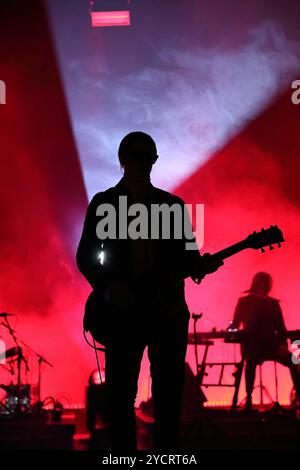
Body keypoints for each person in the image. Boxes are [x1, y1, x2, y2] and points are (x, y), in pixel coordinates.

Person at [76, 131, 222, 450]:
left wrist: (200, 266)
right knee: (122, 397)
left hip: (164, 312)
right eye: (143, 158)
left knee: (167, 397)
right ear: (125, 160)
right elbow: (85, 256)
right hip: (132, 314)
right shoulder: (107, 203)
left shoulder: (170, 206)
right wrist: (110, 288)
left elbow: (189, 259)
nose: (148, 165)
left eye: (150, 158)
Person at [231, 272, 300, 410]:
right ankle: (249, 398)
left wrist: (282, 345)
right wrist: (229, 331)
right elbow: (235, 324)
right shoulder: (246, 302)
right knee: (250, 362)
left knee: (294, 362)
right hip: (253, 345)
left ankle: (299, 396)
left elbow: (281, 328)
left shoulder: (272, 304)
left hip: (271, 345)